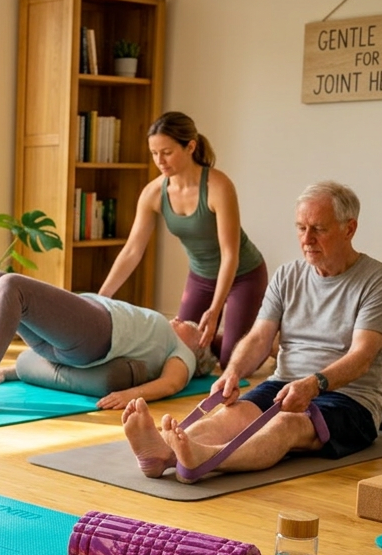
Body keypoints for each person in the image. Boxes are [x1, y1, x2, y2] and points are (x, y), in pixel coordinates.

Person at [122, 181, 382, 481]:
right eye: (301, 228)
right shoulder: (288, 275)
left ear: (349, 229)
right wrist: (232, 372)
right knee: (234, 413)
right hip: (284, 383)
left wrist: (313, 384)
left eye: (319, 229)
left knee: (286, 424)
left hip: (350, 400)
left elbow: (362, 357)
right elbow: (258, 337)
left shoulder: (379, 280)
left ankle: (204, 458)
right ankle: (162, 454)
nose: (307, 239)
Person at [98, 112, 268, 369]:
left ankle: (267, 342)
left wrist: (214, 310)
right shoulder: (153, 193)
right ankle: (239, 339)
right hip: (201, 277)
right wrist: (103, 296)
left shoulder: (218, 186)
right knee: (179, 348)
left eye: (167, 152)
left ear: (190, 147)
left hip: (243, 275)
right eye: (154, 153)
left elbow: (229, 254)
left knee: (232, 363)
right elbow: (133, 250)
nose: (160, 161)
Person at [0, 270, 216, 416]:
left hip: (99, 332)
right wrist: (13, 371)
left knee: (11, 286)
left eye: (189, 326)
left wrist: (131, 395)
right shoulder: (170, 334)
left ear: (197, 348)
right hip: (68, 336)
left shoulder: (184, 353)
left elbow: (171, 384)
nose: (181, 319)